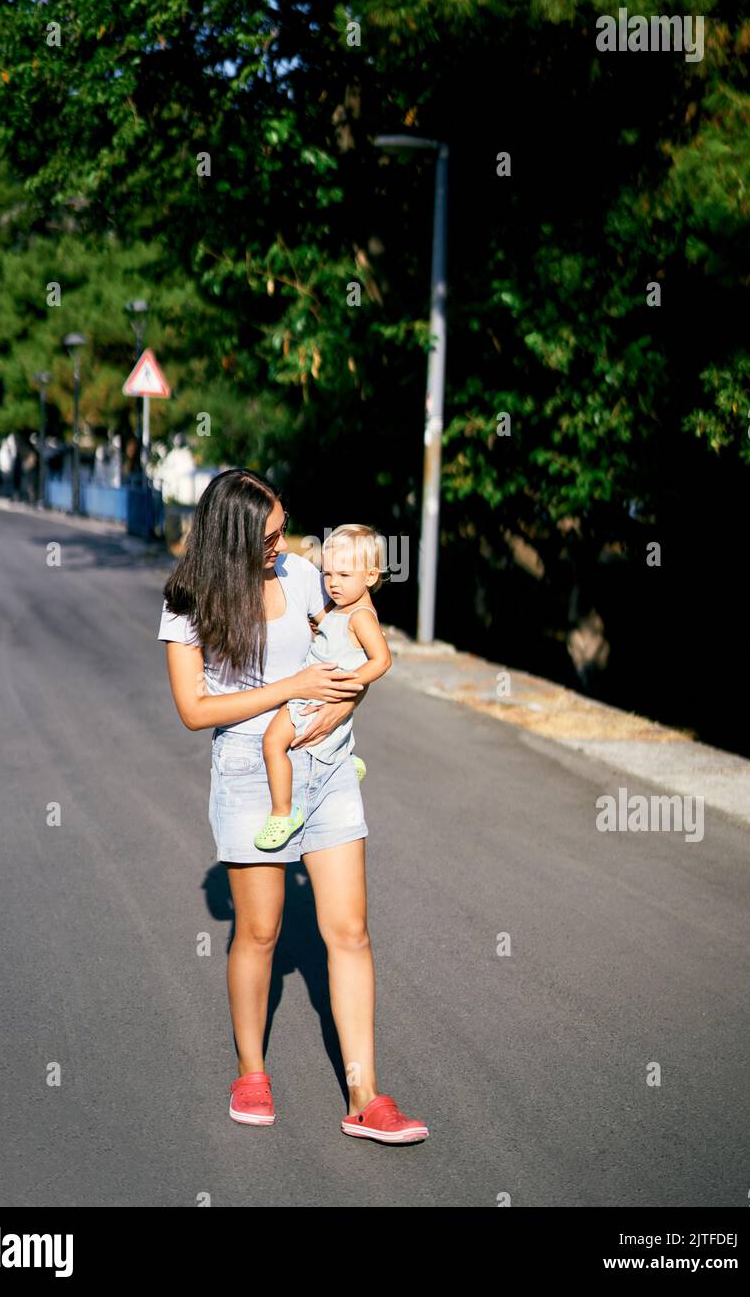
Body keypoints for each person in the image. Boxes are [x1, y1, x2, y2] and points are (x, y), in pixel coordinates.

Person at [157, 468, 429, 1144]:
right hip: (251, 771)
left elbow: (350, 652)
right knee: (260, 932)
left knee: (351, 930)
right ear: (235, 536)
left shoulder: (305, 577)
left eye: (284, 526)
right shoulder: (188, 601)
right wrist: (292, 686)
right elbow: (195, 711)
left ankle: (364, 1092)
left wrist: (339, 702)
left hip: (330, 763)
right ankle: (252, 1070)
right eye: (271, 533)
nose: (283, 541)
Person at [255, 524, 392, 852]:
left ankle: (283, 812)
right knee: (301, 745)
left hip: (316, 695)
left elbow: (382, 660)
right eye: (328, 573)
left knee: (273, 742)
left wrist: (346, 684)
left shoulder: (361, 616)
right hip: (312, 690)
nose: (333, 583)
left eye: (344, 575)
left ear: (371, 577)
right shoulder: (339, 608)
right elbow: (331, 635)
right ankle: (344, 761)